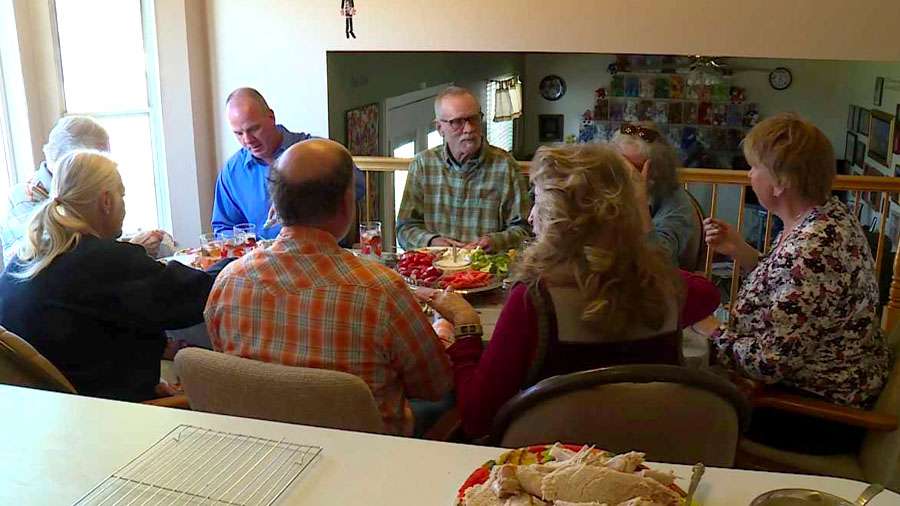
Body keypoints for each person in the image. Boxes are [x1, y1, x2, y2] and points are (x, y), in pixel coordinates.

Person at [418, 143, 720, 438]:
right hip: (655, 456)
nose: (530, 216)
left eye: (537, 202)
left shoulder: (534, 300)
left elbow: (477, 418)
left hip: (551, 463)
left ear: (558, 220)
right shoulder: (668, 286)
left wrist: (466, 326)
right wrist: (634, 234)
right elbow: (709, 294)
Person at [205, 139, 453, 435]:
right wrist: (447, 331)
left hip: (265, 452)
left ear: (276, 206)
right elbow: (433, 386)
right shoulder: (381, 290)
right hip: (371, 458)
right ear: (347, 203)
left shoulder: (228, 282)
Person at [700, 113, 890, 453]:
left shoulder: (812, 250)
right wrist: (741, 252)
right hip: (818, 387)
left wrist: (710, 329)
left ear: (779, 181)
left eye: (755, 167)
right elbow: (794, 298)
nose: (749, 175)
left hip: (819, 415)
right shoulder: (825, 216)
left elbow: (768, 364)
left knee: (688, 406)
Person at [0, 151, 214, 402]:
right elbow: (200, 295)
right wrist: (239, 264)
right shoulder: (105, 261)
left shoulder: (24, 258)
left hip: (45, 408)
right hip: (108, 413)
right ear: (106, 201)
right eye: (121, 194)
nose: (124, 202)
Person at [1, 116, 167, 265]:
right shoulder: (24, 201)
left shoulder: (72, 193)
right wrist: (131, 250)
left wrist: (130, 245)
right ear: (71, 161)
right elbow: (63, 263)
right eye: (96, 161)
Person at [212, 88, 365, 239]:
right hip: (259, 259)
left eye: (254, 129)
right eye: (238, 133)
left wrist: (299, 203)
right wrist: (249, 243)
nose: (247, 140)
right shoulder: (232, 172)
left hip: (320, 253)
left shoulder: (316, 150)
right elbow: (223, 227)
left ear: (271, 117)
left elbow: (358, 184)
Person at [396, 86, 531, 252]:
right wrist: (432, 242)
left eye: (473, 119)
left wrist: (495, 241)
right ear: (439, 128)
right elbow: (404, 228)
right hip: (434, 270)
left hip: (486, 270)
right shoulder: (423, 165)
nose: (469, 129)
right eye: (457, 122)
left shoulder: (505, 166)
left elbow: (525, 229)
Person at [612, 122, 702, 270]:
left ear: (657, 170)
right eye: (620, 165)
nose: (625, 175)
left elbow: (659, 262)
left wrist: (639, 200)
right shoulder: (606, 188)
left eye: (635, 168)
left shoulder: (676, 201)